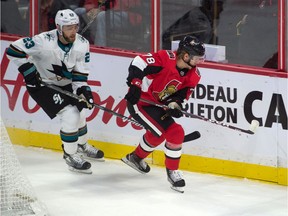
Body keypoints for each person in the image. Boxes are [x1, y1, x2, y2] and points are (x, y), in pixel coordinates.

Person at [6, 9, 104, 174]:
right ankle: (70, 155)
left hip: (65, 84)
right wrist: (29, 72)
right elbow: (13, 50)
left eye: (75, 27)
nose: (73, 31)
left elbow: (79, 76)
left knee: (80, 112)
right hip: (42, 85)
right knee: (70, 115)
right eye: (69, 27)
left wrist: (84, 91)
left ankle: (82, 145)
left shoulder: (82, 44)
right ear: (59, 28)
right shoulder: (43, 41)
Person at [121, 36, 205, 192]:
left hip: (156, 105)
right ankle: (173, 172)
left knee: (159, 134)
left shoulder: (194, 75)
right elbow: (139, 61)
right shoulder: (165, 58)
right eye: (198, 58)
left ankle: (135, 158)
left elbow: (181, 96)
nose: (200, 61)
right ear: (186, 56)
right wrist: (135, 84)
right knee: (175, 132)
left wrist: (175, 105)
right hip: (139, 102)